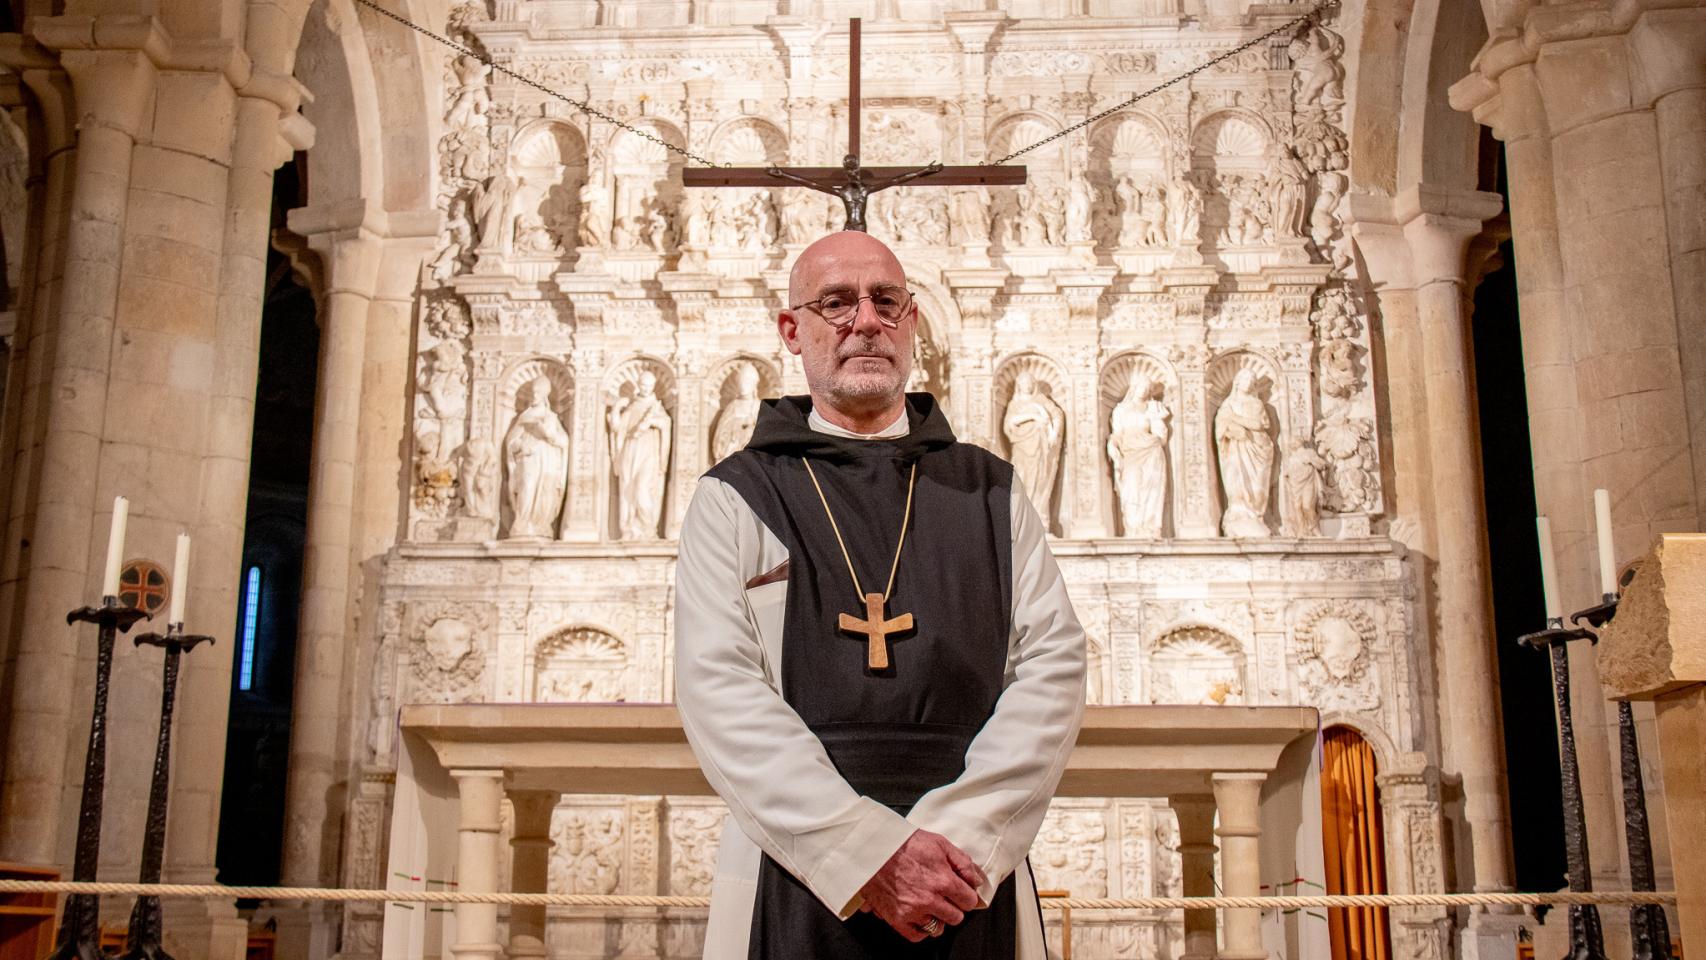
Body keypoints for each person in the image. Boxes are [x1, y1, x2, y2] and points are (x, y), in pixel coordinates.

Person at [674, 231, 1086, 959]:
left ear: (912, 323)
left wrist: (959, 841)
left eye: (885, 301)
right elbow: (719, 690)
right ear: (792, 330)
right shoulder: (735, 495)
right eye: (836, 302)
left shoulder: (990, 490)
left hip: (965, 877)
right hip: (803, 865)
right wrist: (868, 855)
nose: (865, 320)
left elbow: (1053, 666)